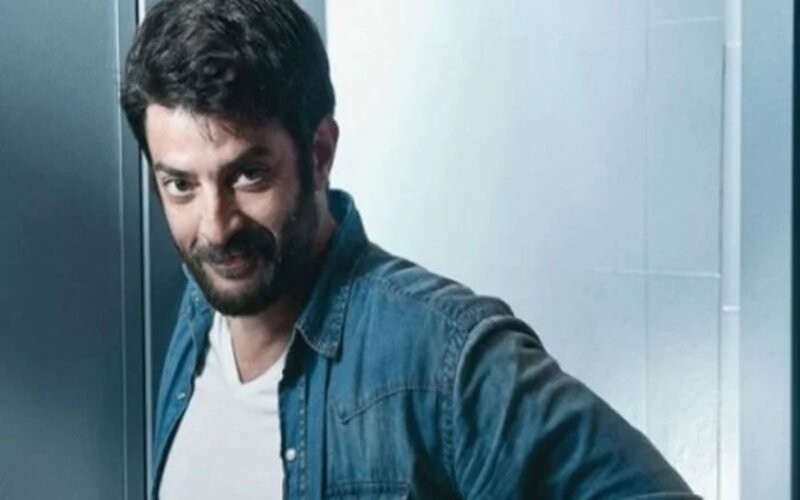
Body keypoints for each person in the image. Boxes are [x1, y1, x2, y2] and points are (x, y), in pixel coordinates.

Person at [121, 1, 699, 498]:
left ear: (319, 154)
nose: (216, 228)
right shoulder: (198, 317)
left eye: (248, 175)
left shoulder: (446, 357)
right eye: (181, 185)